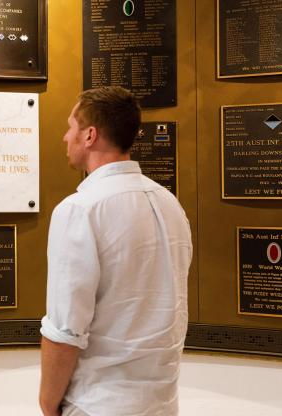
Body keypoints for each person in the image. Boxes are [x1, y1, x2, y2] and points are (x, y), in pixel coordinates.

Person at [39, 86, 192, 416]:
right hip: (163, 404)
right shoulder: (170, 204)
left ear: (90, 135)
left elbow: (65, 330)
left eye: (71, 128)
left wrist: (47, 403)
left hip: (98, 404)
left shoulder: (79, 210)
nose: (66, 137)